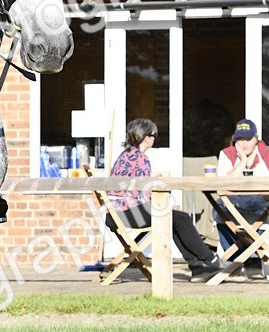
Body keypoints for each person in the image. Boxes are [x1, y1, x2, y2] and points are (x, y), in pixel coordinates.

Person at [108, 118, 237, 282]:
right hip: (126, 213)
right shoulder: (140, 159)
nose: (154, 139)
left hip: (117, 213)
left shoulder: (125, 156)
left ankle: (198, 267)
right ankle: (210, 260)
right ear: (146, 137)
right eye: (154, 135)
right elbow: (144, 194)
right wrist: (163, 205)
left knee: (174, 219)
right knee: (181, 218)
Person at [214, 118, 269, 272]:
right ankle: (234, 263)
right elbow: (222, 186)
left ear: (256, 139)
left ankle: (261, 256)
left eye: (248, 139)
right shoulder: (227, 154)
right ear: (234, 140)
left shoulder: (266, 154)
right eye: (240, 139)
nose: (244, 144)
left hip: (262, 205)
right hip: (233, 206)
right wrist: (242, 162)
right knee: (219, 207)